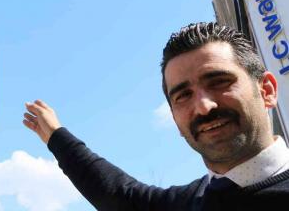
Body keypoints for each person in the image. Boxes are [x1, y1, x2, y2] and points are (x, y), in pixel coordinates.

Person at [23, 22, 289, 210]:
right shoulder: (187, 203)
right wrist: (55, 136)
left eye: (219, 81)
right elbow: (116, 193)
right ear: (175, 120)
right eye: (183, 96)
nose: (203, 107)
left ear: (266, 90)